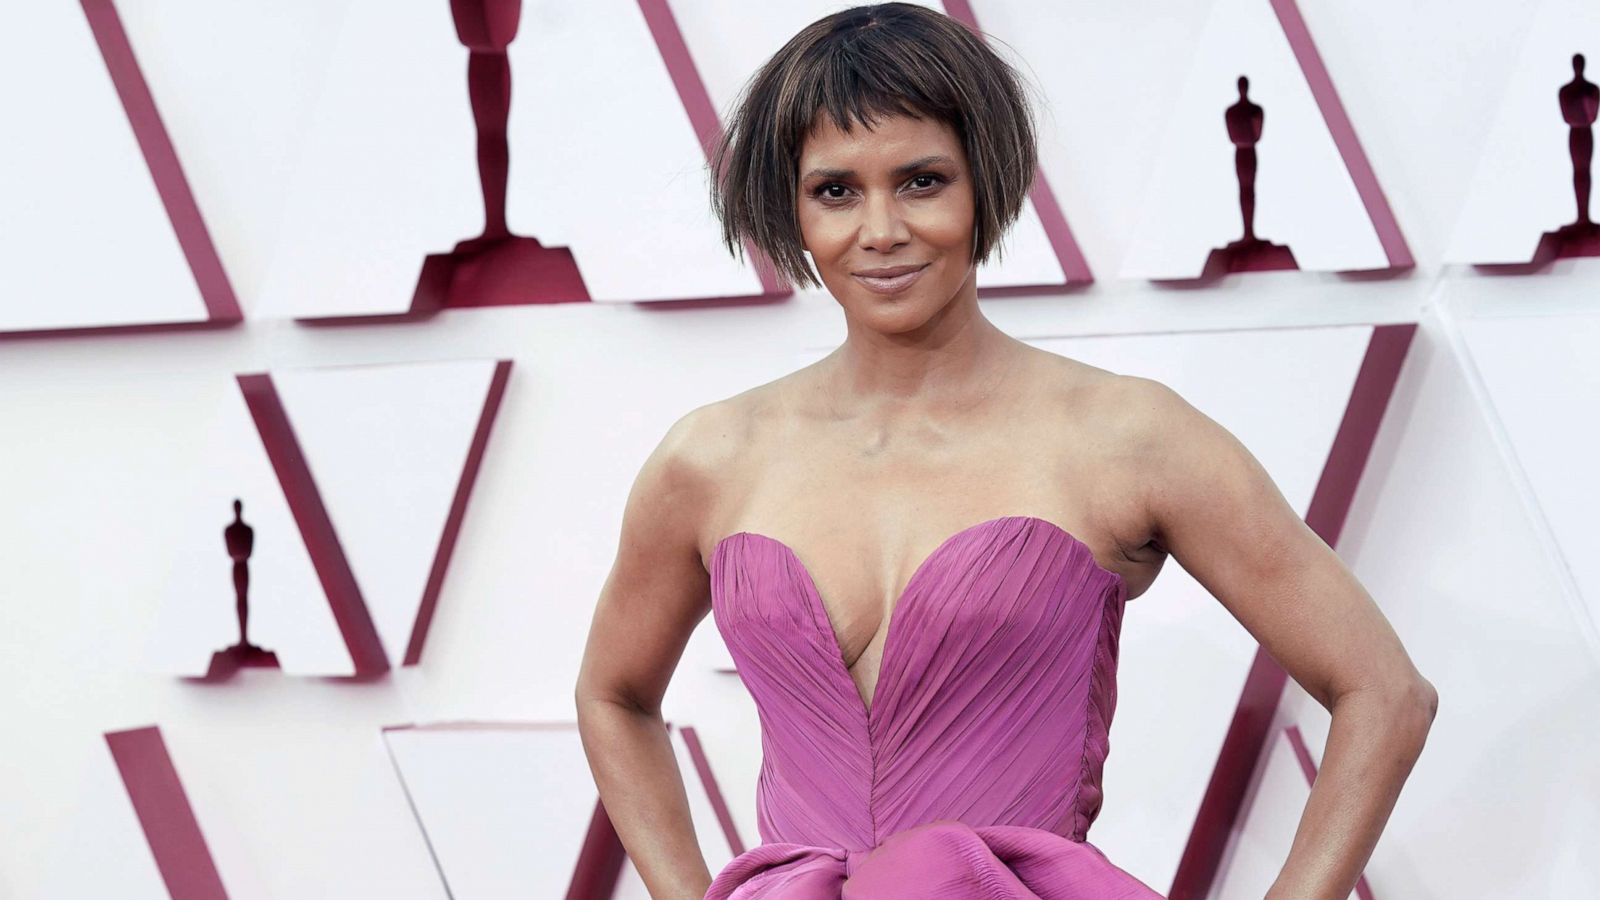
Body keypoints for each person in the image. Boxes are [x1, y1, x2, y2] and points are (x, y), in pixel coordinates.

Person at [573, 5, 1437, 897]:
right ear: (788, 208)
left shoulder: (1125, 438)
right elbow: (613, 696)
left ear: (985, 181)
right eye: (835, 190)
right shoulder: (711, 460)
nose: (880, 231)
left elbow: (1384, 691)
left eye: (920, 181)